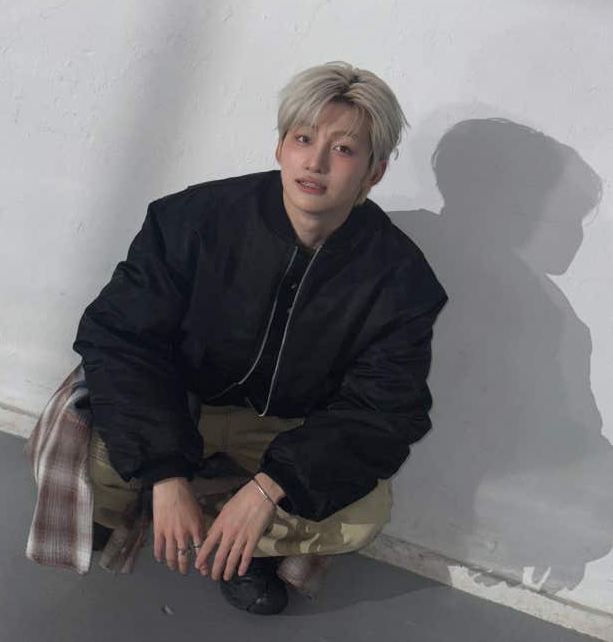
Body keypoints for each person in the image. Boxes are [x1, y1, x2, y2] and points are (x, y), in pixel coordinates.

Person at [72, 60, 448, 614]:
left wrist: (267, 489)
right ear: (280, 147)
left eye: (344, 149)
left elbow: (384, 410)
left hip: (287, 429)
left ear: (374, 173)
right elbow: (121, 338)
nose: (315, 162)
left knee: (363, 517)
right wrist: (165, 472)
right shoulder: (192, 220)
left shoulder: (399, 280)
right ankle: (168, 508)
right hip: (181, 400)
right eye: (303, 139)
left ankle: (235, 544)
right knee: (89, 453)